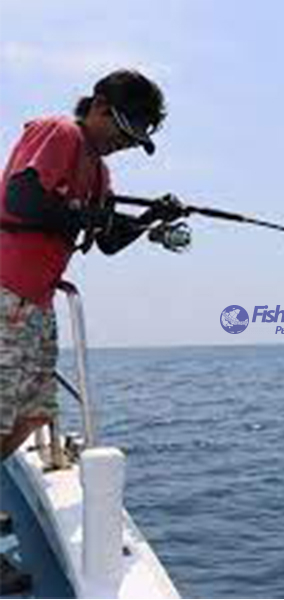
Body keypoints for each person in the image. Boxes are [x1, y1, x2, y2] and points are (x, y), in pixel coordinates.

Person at [0, 69, 183, 593]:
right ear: (99, 106)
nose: (126, 143)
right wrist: (82, 217)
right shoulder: (60, 133)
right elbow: (21, 200)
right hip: (7, 293)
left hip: (36, 301)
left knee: (33, 414)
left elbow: (106, 241)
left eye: (135, 138)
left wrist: (149, 218)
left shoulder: (99, 173)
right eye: (124, 130)